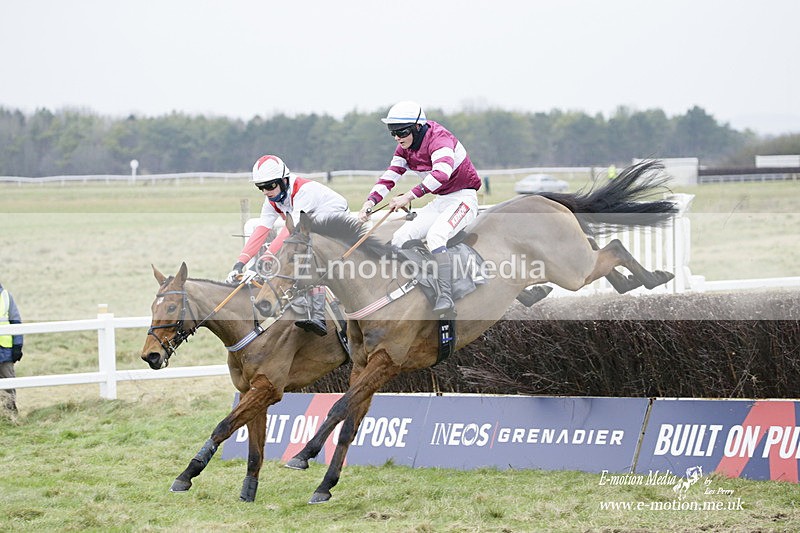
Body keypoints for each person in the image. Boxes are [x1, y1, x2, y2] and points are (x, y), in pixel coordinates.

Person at [358, 101, 482, 317]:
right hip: (441, 200)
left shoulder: (440, 139)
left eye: (401, 132)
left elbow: (440, 175)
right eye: (392, 133)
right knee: (400, 238)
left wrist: (408, 196)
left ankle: (446, 295)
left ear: (418, 127)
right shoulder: (404, 148)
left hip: (464, 198)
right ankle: (410, 288)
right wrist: (370, 202)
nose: (397, 137)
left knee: (436, 236)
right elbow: (391, 175)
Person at [226, 154, 349, 336]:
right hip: (308, 223)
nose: (266, 191)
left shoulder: (304, 191)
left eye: (270, 186)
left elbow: (290, 231)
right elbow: (261, 230)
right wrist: (239, 264)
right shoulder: (271, 200)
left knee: (303, 253)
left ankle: (318, 315)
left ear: (284, 180)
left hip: (334, 217)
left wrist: (265, 258)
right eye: (260, 187)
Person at [0, 281, 23, 418]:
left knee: (8, 386)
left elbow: (16, 323)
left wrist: (17, 346)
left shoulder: (6, 296)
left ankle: (11, 417)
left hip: (5, 351)